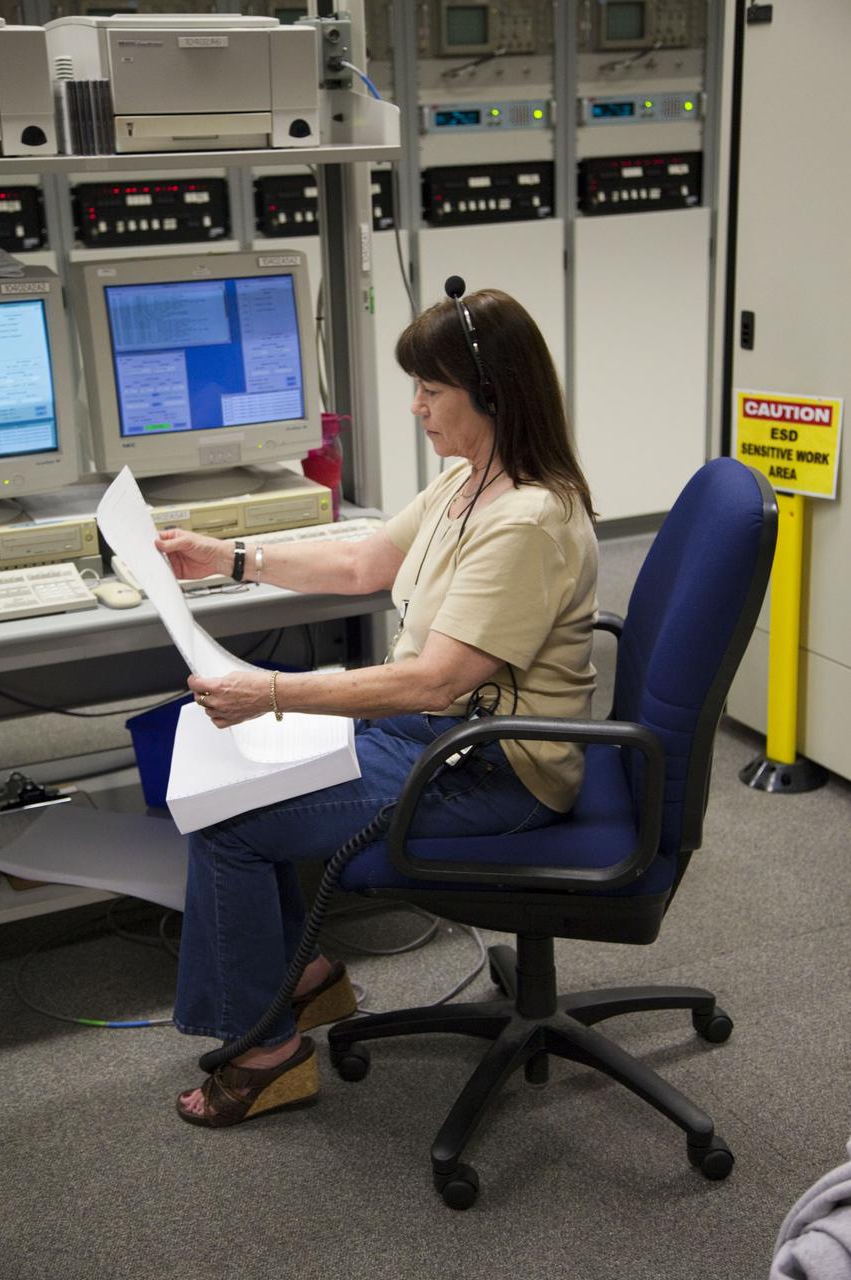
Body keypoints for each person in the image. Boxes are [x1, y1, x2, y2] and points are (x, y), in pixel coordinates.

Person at [156, 284, 599, 1128]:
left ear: (492, 393)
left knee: (232, 823)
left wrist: (273, 694)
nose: (417, 406)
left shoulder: (526, 520)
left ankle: (269, 1052)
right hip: (448, 736)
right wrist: (228, 557)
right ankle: (303, 980)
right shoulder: (470, 483)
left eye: (432, 390)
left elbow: (435, 681)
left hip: (496, 767)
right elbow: (363, 565)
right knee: (248, 787)